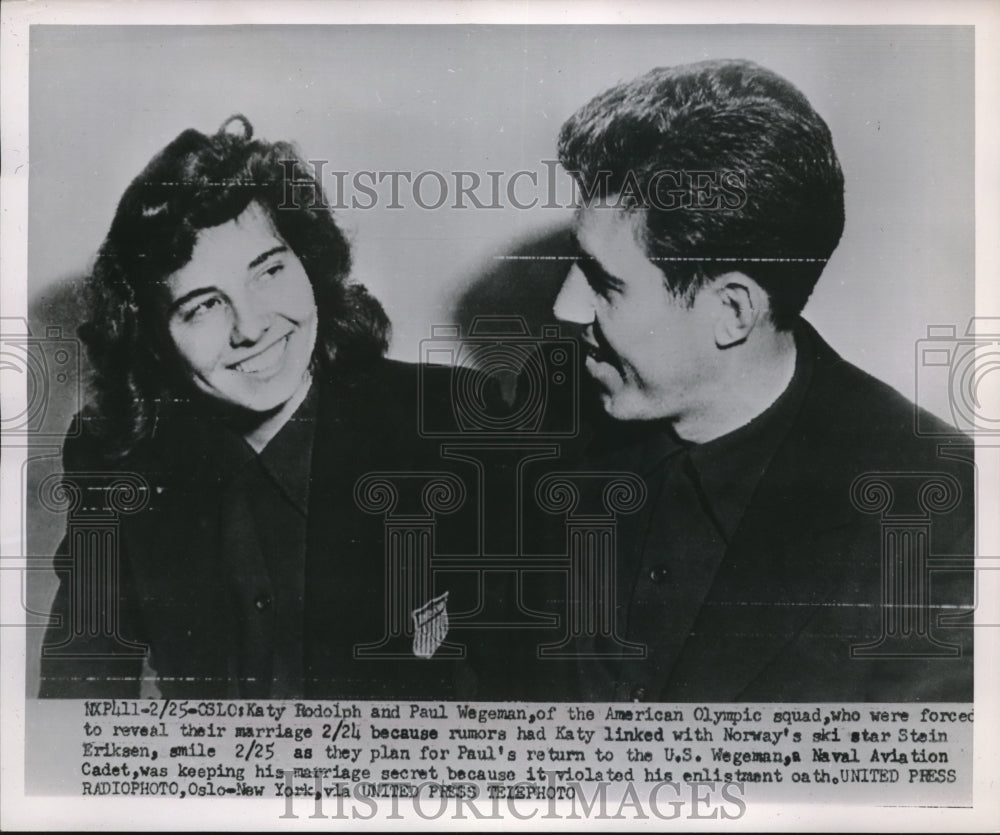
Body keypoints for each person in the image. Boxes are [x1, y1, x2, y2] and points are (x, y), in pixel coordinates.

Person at [488, 59, 974, 702]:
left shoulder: (942, 514)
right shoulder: (549, 403)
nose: (564, 309)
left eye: (605, 282)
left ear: (733, 311)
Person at [38, 116, 475, 699]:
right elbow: (77, 699)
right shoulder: (117, 463)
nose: (252, 327)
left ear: (310, 264)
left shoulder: (456, 424)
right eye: (202, 306)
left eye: (268, 271)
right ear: (154, 342)